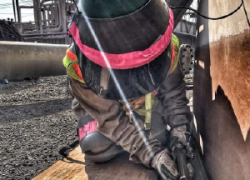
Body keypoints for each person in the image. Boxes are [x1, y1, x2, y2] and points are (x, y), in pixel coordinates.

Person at [63, 0, 193, 179]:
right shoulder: (77, 64)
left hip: (147, 105)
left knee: (161, 137)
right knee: (97, 146)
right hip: (107, 112)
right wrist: (153, 155)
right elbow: (110, 119)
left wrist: (179, 128)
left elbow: (173, 92)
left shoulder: (168, 45)